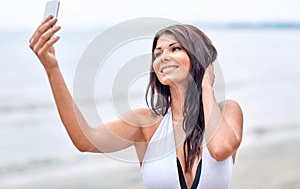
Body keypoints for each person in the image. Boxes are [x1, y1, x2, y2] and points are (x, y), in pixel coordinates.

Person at [29, 15, 243, 189]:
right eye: (158, 53)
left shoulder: (228, 111)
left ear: (198, 58)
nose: (163, 57)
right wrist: (52, 68)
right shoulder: (146, 124)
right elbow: (84, 140)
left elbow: (220, 148)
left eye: (175, 48)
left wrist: (206, 87)